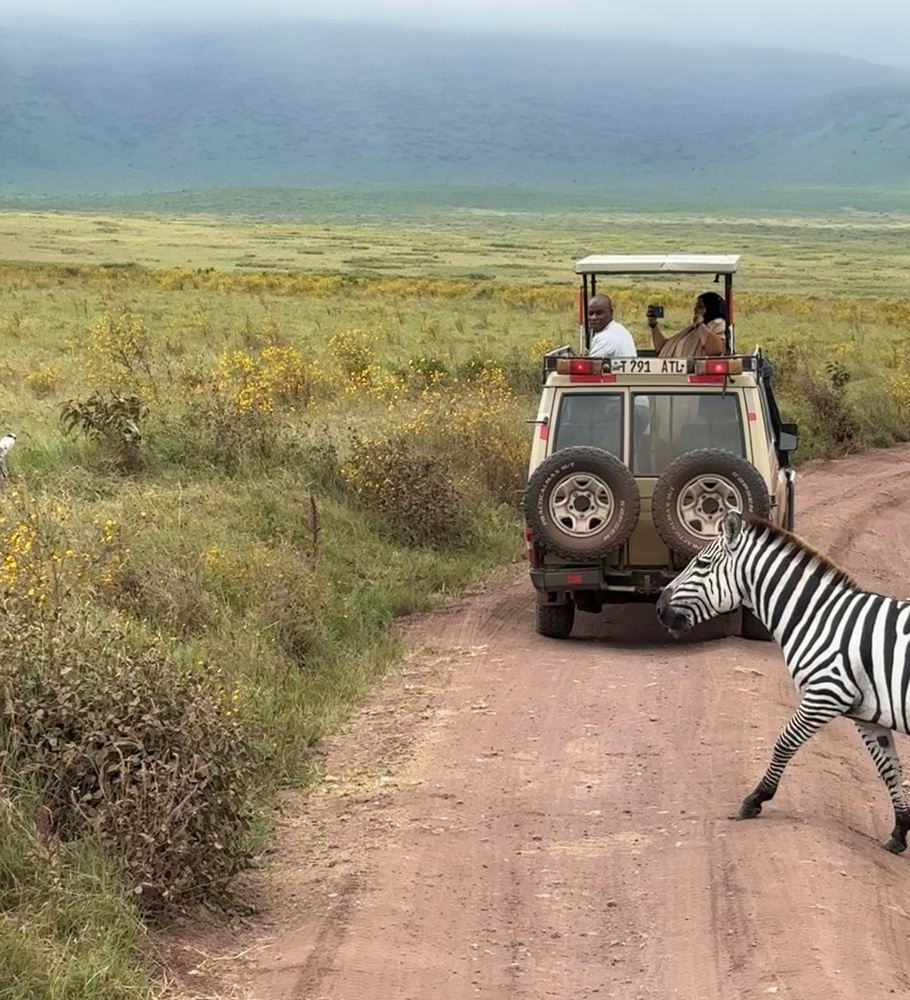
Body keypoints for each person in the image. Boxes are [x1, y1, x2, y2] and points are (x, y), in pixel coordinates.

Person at [648, 292, 727, 358]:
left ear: (711, 308)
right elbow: (663, 348)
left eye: (700, 306)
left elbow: (715, 350)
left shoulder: (718, 325)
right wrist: (654, 325)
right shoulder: (692, 329)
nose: (695, 309)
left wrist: (700, 325)